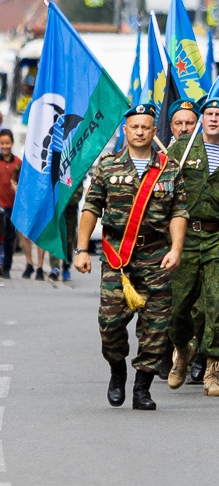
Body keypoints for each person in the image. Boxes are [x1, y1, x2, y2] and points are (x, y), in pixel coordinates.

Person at [75, 103, 188, 411]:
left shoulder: (169, 167)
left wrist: (176, 249)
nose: (140, 132)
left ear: (154, 131)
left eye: (146, 127)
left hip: (156, 255)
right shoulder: (108, 166)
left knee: (155, 326)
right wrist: (82, 249)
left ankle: (142, 387)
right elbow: (91, 208)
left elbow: (178, 211)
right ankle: (117, 370)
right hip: (118, 258)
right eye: (134, 127)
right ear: (125, 131)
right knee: (109, 324)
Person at [166, 96, 219, 396]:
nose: (213, 118)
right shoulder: (182, 148)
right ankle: (181, 350)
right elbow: (164, 194)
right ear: (202, 118)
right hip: (185, 238)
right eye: (209, 113)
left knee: (218, 303)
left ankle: (212, 371)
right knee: (178, 308)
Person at [0, 128, 19, 280]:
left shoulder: (18, 163)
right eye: (2, 143)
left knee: (9, 238)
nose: (5, 146)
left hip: (12, 206)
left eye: (7, 143)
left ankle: (6, 268)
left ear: (12, 143)